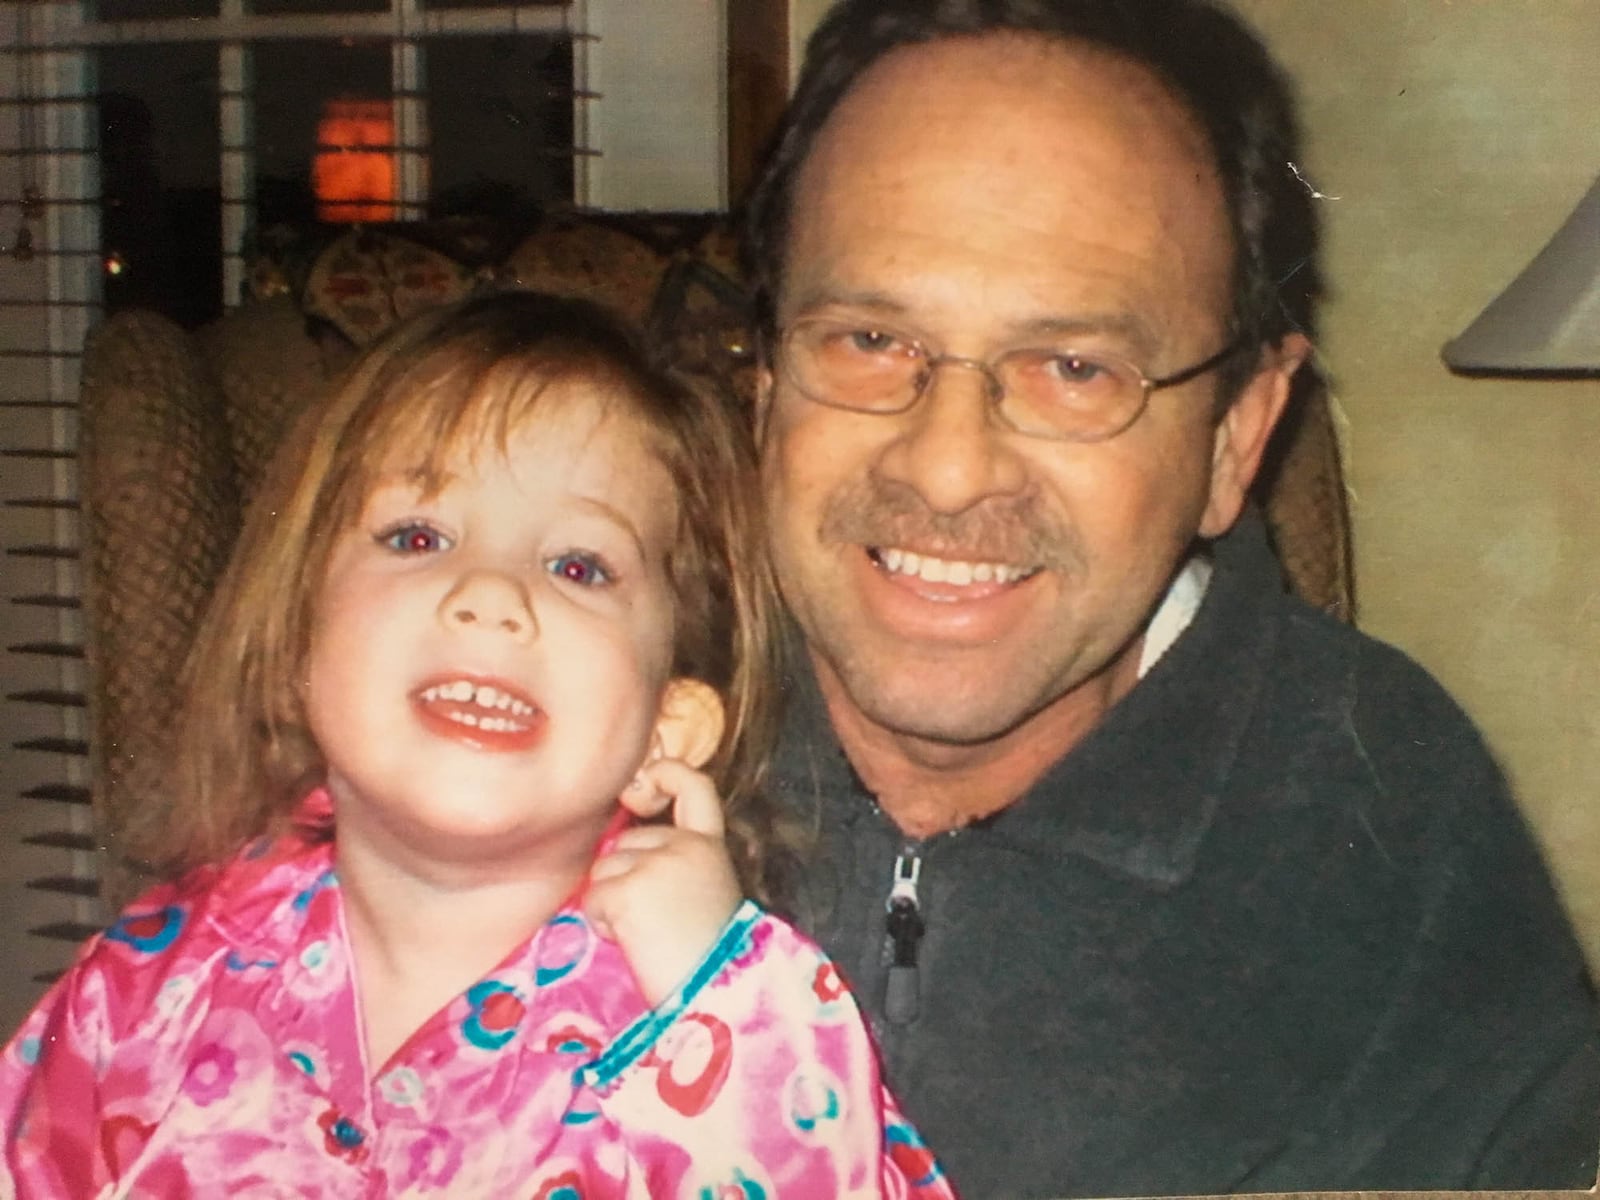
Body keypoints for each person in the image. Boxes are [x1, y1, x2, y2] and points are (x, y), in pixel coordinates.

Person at [740, 1, 1600, 1196]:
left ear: (1234, 438)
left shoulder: (1392, 819)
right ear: (764, 380)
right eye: (869, 339)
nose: (944, 467)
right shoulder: (530, 720)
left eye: (1076, 368)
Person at [0, 292, 954, 1198]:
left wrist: (721, 1002)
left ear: (667, 721)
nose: (490, 595)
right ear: (297, 646)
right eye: (417, 537)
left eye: (578, 566)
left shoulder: (717, 1009)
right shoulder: (149, 987)